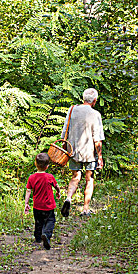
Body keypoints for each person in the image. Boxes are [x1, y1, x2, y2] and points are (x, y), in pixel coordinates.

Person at [60, 88, 105, 217]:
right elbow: (97, 139)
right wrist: (100, 157)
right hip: (89, 153)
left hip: (73, 150)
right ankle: (85, 208)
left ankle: (68, 198)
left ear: (83, 98)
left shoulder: (72, 109)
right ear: (94, 101)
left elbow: (64, 132)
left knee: (75, 177)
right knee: (89, 179)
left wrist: (65, 149)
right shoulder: (95, 114)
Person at [24, 152, 61, 250]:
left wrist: (26, 203)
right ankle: (46, 234)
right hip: (48, 206)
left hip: (37, 206)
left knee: (38, 221)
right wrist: (58, 192)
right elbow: (56, 186)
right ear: (47, 166)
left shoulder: (32, 177)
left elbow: (28, 190)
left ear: (35, 164)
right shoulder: (49, 177)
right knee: (50, 220)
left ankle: (38, 238)